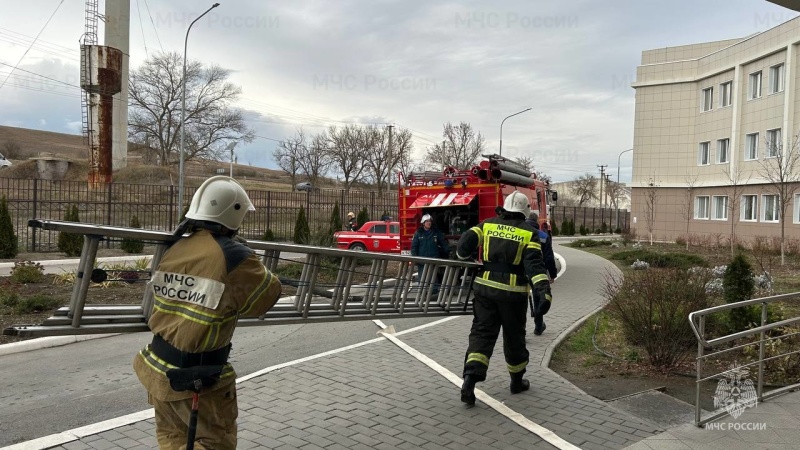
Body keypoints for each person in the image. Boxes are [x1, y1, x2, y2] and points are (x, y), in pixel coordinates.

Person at [133, 176, 282, 449]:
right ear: (234, 213)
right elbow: (263, 301)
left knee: (172, 440)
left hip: (158, 369)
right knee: (216, 444)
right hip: (196, 379)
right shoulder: (234, 256)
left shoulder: (176, 246)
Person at [456, 191, 552, 405]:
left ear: (505, 207)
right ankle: (517, 382)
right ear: (525, 211)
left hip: (485, 291)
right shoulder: (529, 233)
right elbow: (535, 267)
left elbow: (465, 243)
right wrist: (543, 292)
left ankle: (469, 381)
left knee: (481, 335)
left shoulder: (487, 225)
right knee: (514, 338)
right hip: (513, 295)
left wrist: (465, 257)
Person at [526, 213, 558, 336]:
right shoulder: (543, 236)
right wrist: (552, 274)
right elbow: (549, 257)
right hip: (538, 271)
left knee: (520, 300)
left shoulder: (520, 232)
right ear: (537, 222)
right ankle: (538, 326)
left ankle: (520, 330)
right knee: (537, 297)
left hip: (521, 271)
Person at [411, 213, 450, 293]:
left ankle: (434, 293)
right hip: (422, 260)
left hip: (433, 259)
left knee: (433, 278)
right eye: (427, 221)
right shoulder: (418, 233)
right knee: (422, 278)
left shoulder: (436, 233)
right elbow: (414, 247)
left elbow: (443, 243)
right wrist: (415, 258)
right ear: (423, 223)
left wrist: (449, 252)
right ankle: (422, 293)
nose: (429, 223)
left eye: (430, 221)